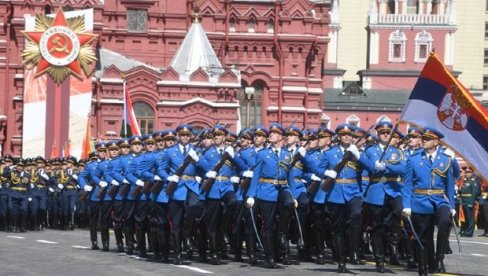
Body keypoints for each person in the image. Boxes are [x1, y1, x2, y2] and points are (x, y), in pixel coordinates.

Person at [402, 127, 456, 275]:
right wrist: (406, 205)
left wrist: (452, 205)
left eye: (427, 139)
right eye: (423, 138)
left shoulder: (446, 159)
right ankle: (423, 267)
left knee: (445, 222)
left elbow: (450, 184)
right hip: (420, 200)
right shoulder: (414, 159)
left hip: (440, 200)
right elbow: (407, 185)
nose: (424, 141)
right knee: (423, 236)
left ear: (436, 141)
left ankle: (439, 258)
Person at [246, 123, 295, 268]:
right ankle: (269, 256)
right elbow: (256, 175)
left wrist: (295, 195)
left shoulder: (287, 154)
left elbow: (290, 176)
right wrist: (251, 195)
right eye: (270, 133)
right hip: (267, 190)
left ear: (281, 137)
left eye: (274, 133)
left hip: (283, 188)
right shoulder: (262, 154)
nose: (271, 135)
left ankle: (282, 235)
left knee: (287, 204)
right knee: (268, 226)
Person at [361, 121, 406, 272]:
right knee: (376, 227)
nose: (386, 135)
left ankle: (392, 237)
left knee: (398, 211)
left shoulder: (397, 151)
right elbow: (366, 166)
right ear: (378, 134)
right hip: (376, 190)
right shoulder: (370, 151)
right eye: (382, 132)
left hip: (393, 189)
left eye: (388, 132)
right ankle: (379, 259)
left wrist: (386, 167)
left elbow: (403, 168)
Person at [459, 166, 481, 237]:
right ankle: (466, 231)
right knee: (466, 218)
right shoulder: (466, 181)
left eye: (468, 172)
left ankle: (469, 232)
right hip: (464, 201)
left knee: (470, 218)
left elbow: (474, 193)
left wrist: (471, 203)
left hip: (469, 202)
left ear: (472, 173)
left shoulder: (473, 182)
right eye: (466, 172)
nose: (467, 174)